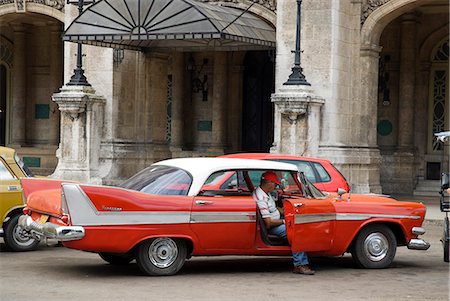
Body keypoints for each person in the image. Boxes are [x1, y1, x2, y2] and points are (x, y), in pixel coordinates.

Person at [252, 171, 315, 275]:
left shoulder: (264, 193)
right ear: (269, 183)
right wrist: (284, 221)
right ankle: (299, 264)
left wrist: (286, 211)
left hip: (276, 219)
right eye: (275, 184)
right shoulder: (261, 198)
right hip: (273, 225)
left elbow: (273, 209)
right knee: (297, 233)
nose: (276, 186)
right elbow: (268, 222)